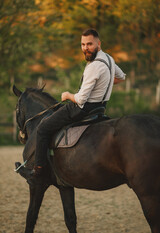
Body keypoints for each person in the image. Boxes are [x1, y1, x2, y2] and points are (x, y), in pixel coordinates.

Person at [31, 28, 126, 177]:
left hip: (81, 109)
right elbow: (121, 78)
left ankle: (38, 171)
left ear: (98, 44)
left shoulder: (94, 67)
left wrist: (67, 95)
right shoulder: (109, 59)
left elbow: (81, 99)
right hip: (100, 108)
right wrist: (103, 83)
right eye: (83, 44)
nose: (85, 48)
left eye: (89, 44)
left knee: (43, 128)